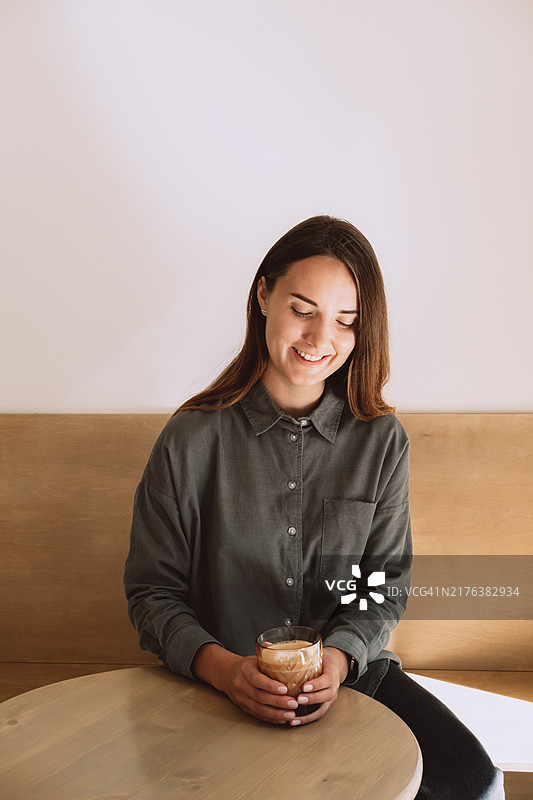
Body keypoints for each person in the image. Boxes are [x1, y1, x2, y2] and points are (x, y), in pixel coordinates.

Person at [124, 215, 504, 798]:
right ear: (263, 296)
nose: (320, 339)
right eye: (302, 309)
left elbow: (382, 589)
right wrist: (227, 671)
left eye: (346, 321)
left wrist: (342, 661)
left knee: (473, 781)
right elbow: (153, 594)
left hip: (356, 681)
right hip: (214, 685)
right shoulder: (190, 439)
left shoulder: (381, 441)